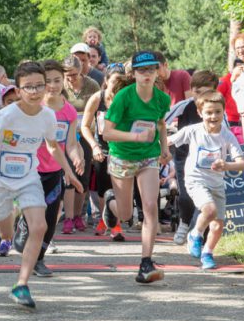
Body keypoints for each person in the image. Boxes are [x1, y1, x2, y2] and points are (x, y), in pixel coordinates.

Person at [0, 61, 81, 311]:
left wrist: (68, 172)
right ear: (18, 90)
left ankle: (21, 284)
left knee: (40, 226)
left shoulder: (48, 116)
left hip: (28, 177)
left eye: (39, 86)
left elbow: (53, 146)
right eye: (28, 87)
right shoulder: (5, 115)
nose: (34, 91)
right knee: (7, 234)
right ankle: (10, 229)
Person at [101, 51, 172, 284]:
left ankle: (146, 263)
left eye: (151, 69)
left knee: (151, 207)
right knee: (126, 215)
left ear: (157, 71)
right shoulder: (124, 97)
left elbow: (161, 123)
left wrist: (164, 147)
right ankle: (111, 204)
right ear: (134, 73)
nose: (147, 74)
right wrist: (136, 136)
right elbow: (107, 132)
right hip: (122, 157)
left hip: (148, 158)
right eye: (142, 71)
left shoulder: (162, 99)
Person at [16, 60, 83, 275]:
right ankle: (23, 225)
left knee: (52, 216)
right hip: (31, 171)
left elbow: (70, 144)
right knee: (35, 217)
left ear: (64, 81)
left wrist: (76, 158)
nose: (53, 85)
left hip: (55, 171)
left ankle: (40, 259)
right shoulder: (36, 108)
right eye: (48, 81)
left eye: (57, 80)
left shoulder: (70, 112)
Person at [168, 91, 244, 269]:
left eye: (218, 112)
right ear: (200, 113)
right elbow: (169, 141)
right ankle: (195, 234)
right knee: (209, 210)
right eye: (209, 112)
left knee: (217, 226)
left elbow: (242, 164)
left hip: (216, 183)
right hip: (196, 180)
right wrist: (157, 150)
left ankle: (207, 253)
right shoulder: (193, 131)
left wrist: (226, 165)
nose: (213, 116)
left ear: (223, 112)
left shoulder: (227, 135)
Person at [164, 70, 220, 245]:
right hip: (185, 156)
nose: (200, 96)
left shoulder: (218, 109)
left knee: (206, 196)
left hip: (208, 159)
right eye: (196, 92)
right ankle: (184, 222)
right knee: (186, 194)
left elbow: (225, 131)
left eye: (205, 91)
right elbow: (162, 121)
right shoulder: (184, 106)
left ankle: (199, 231)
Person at [80, 65, 128, 238]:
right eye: (115, 81)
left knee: (120, 187)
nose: (117, 85)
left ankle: (115, 226)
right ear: (106, 81)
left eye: (122, 82)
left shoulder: (128, 98)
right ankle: (105, 218)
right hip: (102, 149)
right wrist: (94, 146)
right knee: (103, 189)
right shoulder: (97, 98)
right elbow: (84, 126)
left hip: (123, 150)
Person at [61, 56, 100, 234]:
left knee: (82, 176)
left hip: (85, 134)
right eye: (67, 75)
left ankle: (78, 215)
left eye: (74, 75)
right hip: (66, 135)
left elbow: (97, 110)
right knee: (68, 176)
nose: (71, 79)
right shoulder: (61, 86)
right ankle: (68, 217)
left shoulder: (91, 85)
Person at [217, 58, 244, 144]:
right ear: (233, 68)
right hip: (230, 119)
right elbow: (217, 98)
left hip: (243, 118)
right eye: (239, 68)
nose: (241, 70)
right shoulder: (224, 81)